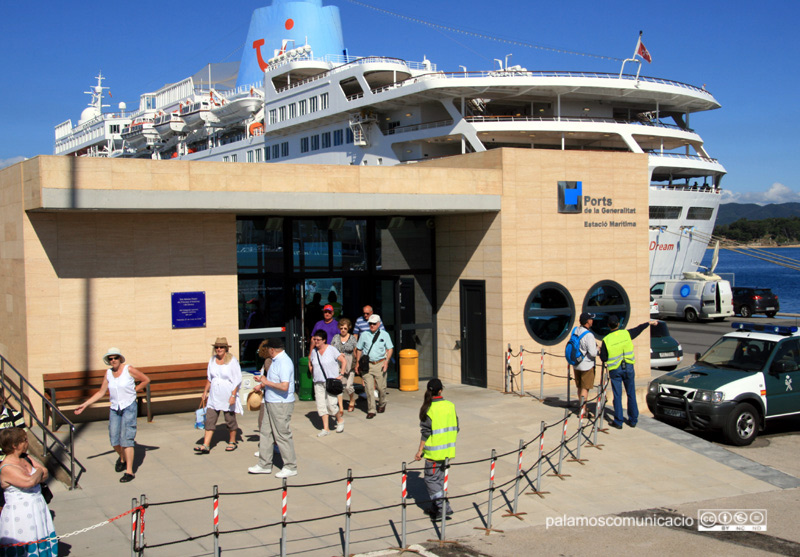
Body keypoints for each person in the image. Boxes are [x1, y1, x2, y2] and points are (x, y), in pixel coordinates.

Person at [75, 347, 151, 482]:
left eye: (115, 357)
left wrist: (135, 390)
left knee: (127, 439)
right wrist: (85, 404)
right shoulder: (108, 373)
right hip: (115, 408)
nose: (113, 360)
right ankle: (122, 457)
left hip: (129, 406)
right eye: (110, 358)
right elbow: (101, 392)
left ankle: (129, 471)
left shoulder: (129, 369)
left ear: (120, 358)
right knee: (114, 439)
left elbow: (145, 379)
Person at [0, 429, 57, 556]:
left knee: (40, 537)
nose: (27, 443)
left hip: (37, 508)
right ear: (15, 445)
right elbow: (29, 481)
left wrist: (39, 473)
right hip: (21, 514)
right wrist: (38, 472)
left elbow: (45, 472)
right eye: (24, 440)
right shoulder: (6, 467)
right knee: (25, 543)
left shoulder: (26, 458)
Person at [248, 338, 298, 478]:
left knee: (282, 435)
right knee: (265, 433)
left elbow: (284, 386)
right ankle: (264, 464)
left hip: (281, 404)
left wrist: (265, 381)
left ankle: (290, 466)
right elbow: (273, 382)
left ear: (272, 349)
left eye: (268, 349)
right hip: (270, 401)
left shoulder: (284, 362)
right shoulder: (275, 361)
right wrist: (262, 384)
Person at [600, 316, 658, 429]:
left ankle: (618, 421)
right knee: (631, 394)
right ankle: (633, 420)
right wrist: (649, 323)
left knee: (617, 395)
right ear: (618, 324)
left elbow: (604, 358)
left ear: (608, 326)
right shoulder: (626, 334)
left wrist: (600, 351)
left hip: (615, 370)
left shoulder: (606, 340)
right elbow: (638, 329)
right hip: (628, 367)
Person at [414, 378, 458, 521]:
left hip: (434, 452)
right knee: (439, 480)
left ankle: (443, 507)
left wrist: (420, 451)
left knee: (431, 480)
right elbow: (456, 427)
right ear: (441, 390)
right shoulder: (450, 405)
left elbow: (425, 433)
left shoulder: (429, 408)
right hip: (448, 451)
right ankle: (436, 506)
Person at [195, 338, 243, 453]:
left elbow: (237, 379)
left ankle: (232, 441)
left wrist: (233, 395)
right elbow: (210, 378)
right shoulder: (212, 360)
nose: (219, 349)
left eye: (221, 347)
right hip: (214, 395)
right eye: (217, 347)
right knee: (210, 419)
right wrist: (205, 392)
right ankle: (206, 444)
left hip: (227, 393)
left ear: (226, 348)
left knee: (229, 419)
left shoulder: (232, 361)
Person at [354, 314, 393, 419]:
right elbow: (359, 349)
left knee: (381, 388)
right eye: (370, 324)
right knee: (369, 389)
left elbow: (390, 349)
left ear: (379, 324)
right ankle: (371, 409)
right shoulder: (364, 335)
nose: (372, 325)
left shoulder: (384, 335)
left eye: (374, 324)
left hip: (380, 364)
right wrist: (358, 363)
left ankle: (382, 403)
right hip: (367, 365)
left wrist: (386, 362)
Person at [309, 330, 347, 436]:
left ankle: (340, 420)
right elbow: (311, 363)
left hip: (330, 382)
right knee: (321, 405)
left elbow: (343, 361)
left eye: (318, 340)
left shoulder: (331, 350)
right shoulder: (314, 352)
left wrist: (342, 374)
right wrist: (313, 373)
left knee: (332, 405)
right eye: (314, 339)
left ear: (324, 340)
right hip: (318, 382)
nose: (316, 341)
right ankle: (326, 428)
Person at [331, 318, 358, 413]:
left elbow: (356, 351)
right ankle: (341, 407)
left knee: (348, 386)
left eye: (345, 328)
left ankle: (352, 399)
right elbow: (332, 349)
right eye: (341, 328)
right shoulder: (336, 337)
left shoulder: (352, 338)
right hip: (339, 364)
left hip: (350, 364)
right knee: (340, 386)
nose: (343, 330)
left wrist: (357, 363)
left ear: (348, 328)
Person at [573, 312, 599, 408]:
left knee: (579, 387)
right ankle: (583, 410)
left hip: (576, 363)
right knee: (585, 388)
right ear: (588, 321)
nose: (592, 321)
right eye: (591, 319)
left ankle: (581, 407)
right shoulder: (589, 335)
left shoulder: (576, 330)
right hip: (586, 365)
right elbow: (592, 352)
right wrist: (598, 350)